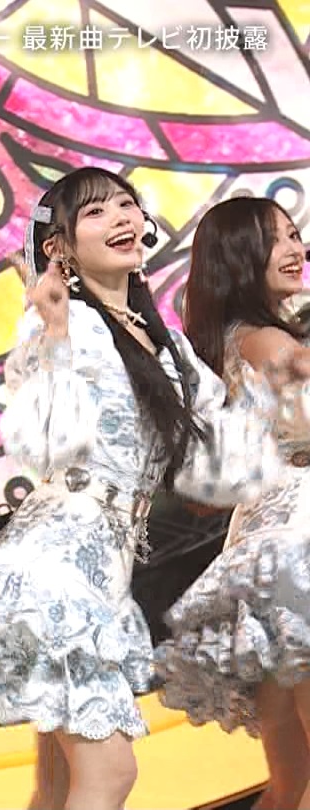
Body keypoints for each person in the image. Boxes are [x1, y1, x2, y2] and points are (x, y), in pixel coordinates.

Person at [0, 167, 291, 810]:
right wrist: (51, 335)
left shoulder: (166, 346)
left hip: (107, 569)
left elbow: (221, 460)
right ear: (60, 247)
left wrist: (278, 399)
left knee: (58, 785)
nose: (122, 218)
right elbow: (40, 443)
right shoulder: (63, 321)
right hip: (61, 559)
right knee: (109, 774)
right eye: (98, 212)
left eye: (127, 205)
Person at [157, 196, 310, 810]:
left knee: (290, 779)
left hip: (261, 547)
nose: (296, 249)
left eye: (296, 234)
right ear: (240, 256)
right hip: (297, 539)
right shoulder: (271, 343)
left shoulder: (231, 340)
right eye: (277, 239)